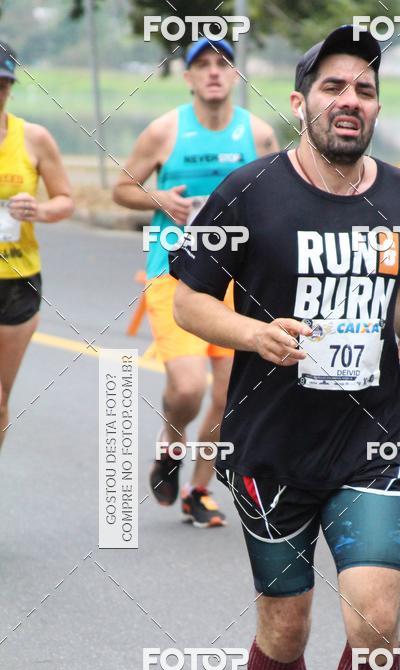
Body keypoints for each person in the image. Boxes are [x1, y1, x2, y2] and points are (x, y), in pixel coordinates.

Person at [171, 25, 400, 670]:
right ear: (300, 102)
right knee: (285, 631)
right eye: (332, 87)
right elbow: (187, 302)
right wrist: (255, 334)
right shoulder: (248, 192)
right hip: (271, 450)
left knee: (378, 625)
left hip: (368, 444)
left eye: (363, 89)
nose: (349, 101)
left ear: (376, 106)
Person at [113, 38, 278, 526]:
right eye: (202, 65)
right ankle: (171, 443)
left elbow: (279, 195)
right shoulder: (165, 131)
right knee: (187, 388)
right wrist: (159, 198)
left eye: (222, 63)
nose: (213, 72)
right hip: (174, 272)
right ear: (188, 78)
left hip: (235, 280)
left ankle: (199, 489)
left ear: (235, 75)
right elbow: (121, 188)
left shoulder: (259, 134)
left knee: (228, 396)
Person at [0, 41, 73, 452]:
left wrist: (39, 210)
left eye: (2, 84)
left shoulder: (34, 138)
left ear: (10, 86)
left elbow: (65, 200)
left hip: (18, 281)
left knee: (0, 402)